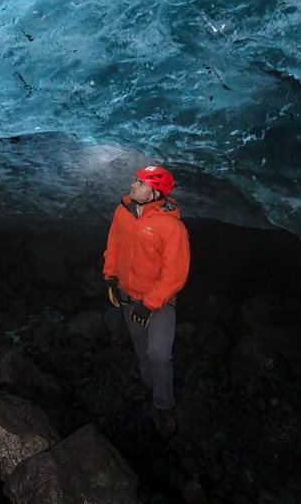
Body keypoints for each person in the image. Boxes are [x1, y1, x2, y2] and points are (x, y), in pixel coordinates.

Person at [102, 164, 191, 435]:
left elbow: (175, 274)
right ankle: (146, 384)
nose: (133, 186)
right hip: (128, 295)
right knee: (140, 344)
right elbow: (113, 245)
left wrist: (149, 304)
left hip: (159, 301)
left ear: (155, 194)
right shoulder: (123, 211)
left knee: (159, 354)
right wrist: (111, 278)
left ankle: (163, 405)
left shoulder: (171, 227)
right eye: (135, 180)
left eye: (140, 183)